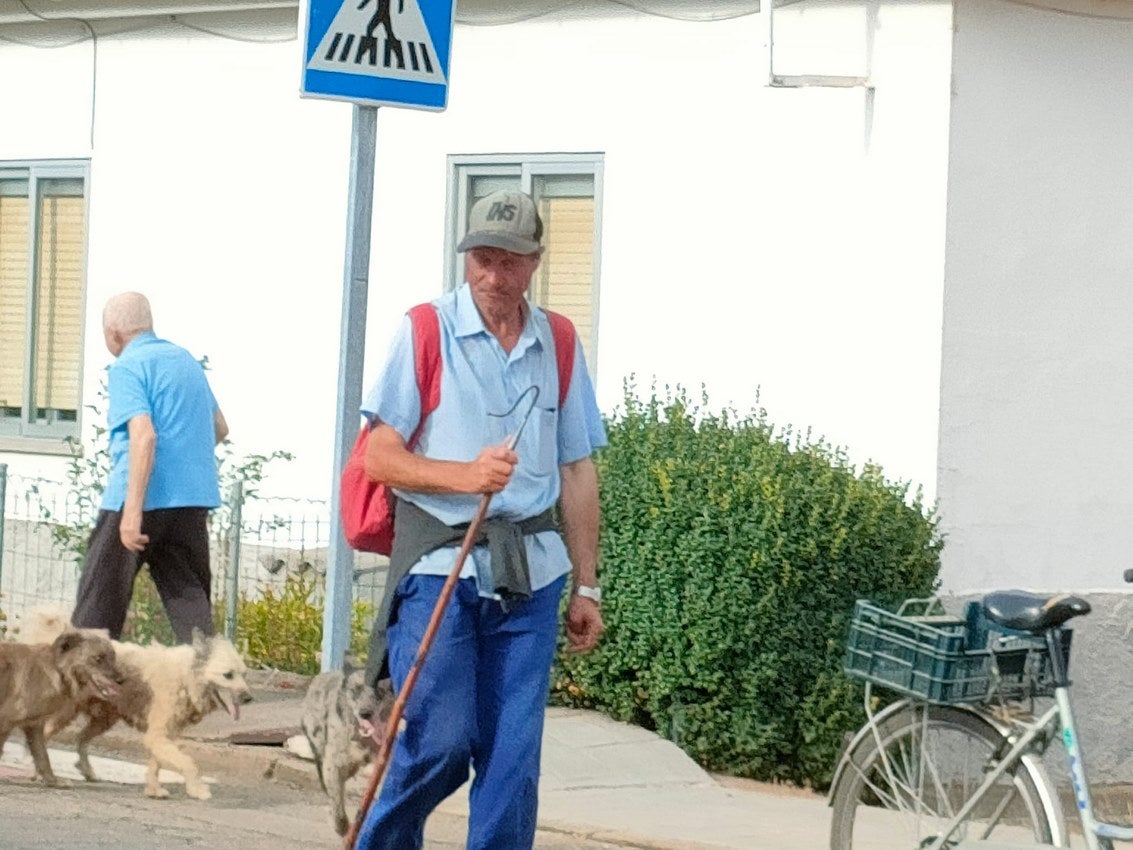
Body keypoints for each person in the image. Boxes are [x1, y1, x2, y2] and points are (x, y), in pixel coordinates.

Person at [358, 189, 607, 850]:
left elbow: (577, 469)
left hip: (532, 573)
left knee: (511, 758)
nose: (493, 276)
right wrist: (463, 477)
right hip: (440, 566)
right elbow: (377, 455)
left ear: (536, 262)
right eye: (482, 260)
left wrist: (586, 586)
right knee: (439, 740)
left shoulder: (556, 340)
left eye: (509, 261)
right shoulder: (424, 329)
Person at [72, 291, 229, 645]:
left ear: (114, 333)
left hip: (138, 499)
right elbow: (219, 428)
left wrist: (131, 513)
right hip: (190, 502)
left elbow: (143, 437)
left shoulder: (127, 366)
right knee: (191, 610)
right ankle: (212, 684)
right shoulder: (186, 361)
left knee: (97, 610)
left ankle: (84, 692)